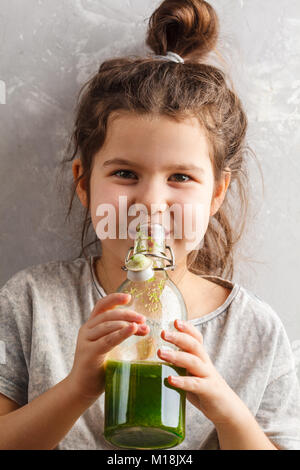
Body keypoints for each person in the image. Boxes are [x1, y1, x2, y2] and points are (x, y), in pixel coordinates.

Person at [0, 0, 299, 450]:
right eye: (125, 174)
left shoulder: (254, 331)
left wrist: (226, 409)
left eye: (180, 177)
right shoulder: (32, 302)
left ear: (217, 192)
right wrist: (76, 390)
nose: (151, 205)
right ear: (84, 183)